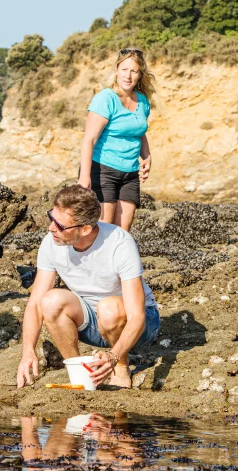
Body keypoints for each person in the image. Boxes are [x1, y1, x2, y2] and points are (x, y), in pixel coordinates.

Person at [16, 185, 160, 389]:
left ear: (85, 229)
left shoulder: (119, 243)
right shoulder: (51, 242)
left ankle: (121, 366)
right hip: (92, 322)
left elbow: (137, 317)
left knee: (109, 308)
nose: (51, 228)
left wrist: (113, 357)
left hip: (139, 325)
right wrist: (28, 351)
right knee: (50, 301)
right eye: (51, 218)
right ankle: (80, 373)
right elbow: (35, 305)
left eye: (60, 225)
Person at [78, 48, 156, 231]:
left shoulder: (143, 101)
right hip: (103, 169)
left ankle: (114, 261)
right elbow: (89, 140)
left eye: (134, 71)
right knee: (102, 228)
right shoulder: (105, 99)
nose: (128, 76)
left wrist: (147, 156)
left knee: (122, 232)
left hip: (130, 173)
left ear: (140, 74)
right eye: (124, 69)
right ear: (116, 70)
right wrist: (84, 178)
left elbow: (138, 131)